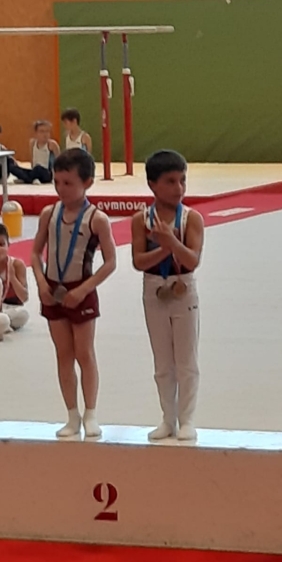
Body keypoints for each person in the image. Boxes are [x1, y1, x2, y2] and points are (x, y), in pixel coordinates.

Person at [31, 148, 117, 438]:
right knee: (63, 355)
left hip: (81, 291)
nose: (60, 189)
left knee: (84, 353)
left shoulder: (97, 219)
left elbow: (111, 262)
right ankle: (72, 415)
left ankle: (91, 413)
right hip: (52, 290)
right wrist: (41, 283)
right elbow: (34, 252)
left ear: (87, 183)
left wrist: (83, 290)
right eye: (57, 182)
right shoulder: (48, 213)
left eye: (68, 183)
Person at [131, 150, 204, 441]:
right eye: (171, 181)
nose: (179, 188)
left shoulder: (191, 218)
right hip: (153, 288)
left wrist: (171, 240)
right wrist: (163, 248)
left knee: (186, 360)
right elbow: (138, 262)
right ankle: (167, 419)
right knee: (163, 362)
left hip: (183, 288)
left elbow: (192, 260)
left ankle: (187, 419)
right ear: (152, 185)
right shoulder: (141, 220)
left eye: (183, 180)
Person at [0, 224, 29, 340]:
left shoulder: (17, 265)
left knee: (23, 315)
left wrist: (12, 278)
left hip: (8, 309)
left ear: (8, 245)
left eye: (1, 245)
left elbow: (24, 298)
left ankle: (4, 326)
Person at [9, 120, 60, 184]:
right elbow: (32, 160)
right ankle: (31, 178)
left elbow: (59, 163)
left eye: (47, 131)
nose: (45, 134)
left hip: (46, 173)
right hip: (34, 171)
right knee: (12, 167)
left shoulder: (52, 144)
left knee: (38, 168)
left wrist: (56, 178)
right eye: (42, 131)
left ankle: (27, 179)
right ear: (36, 133)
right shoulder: (32, 143)